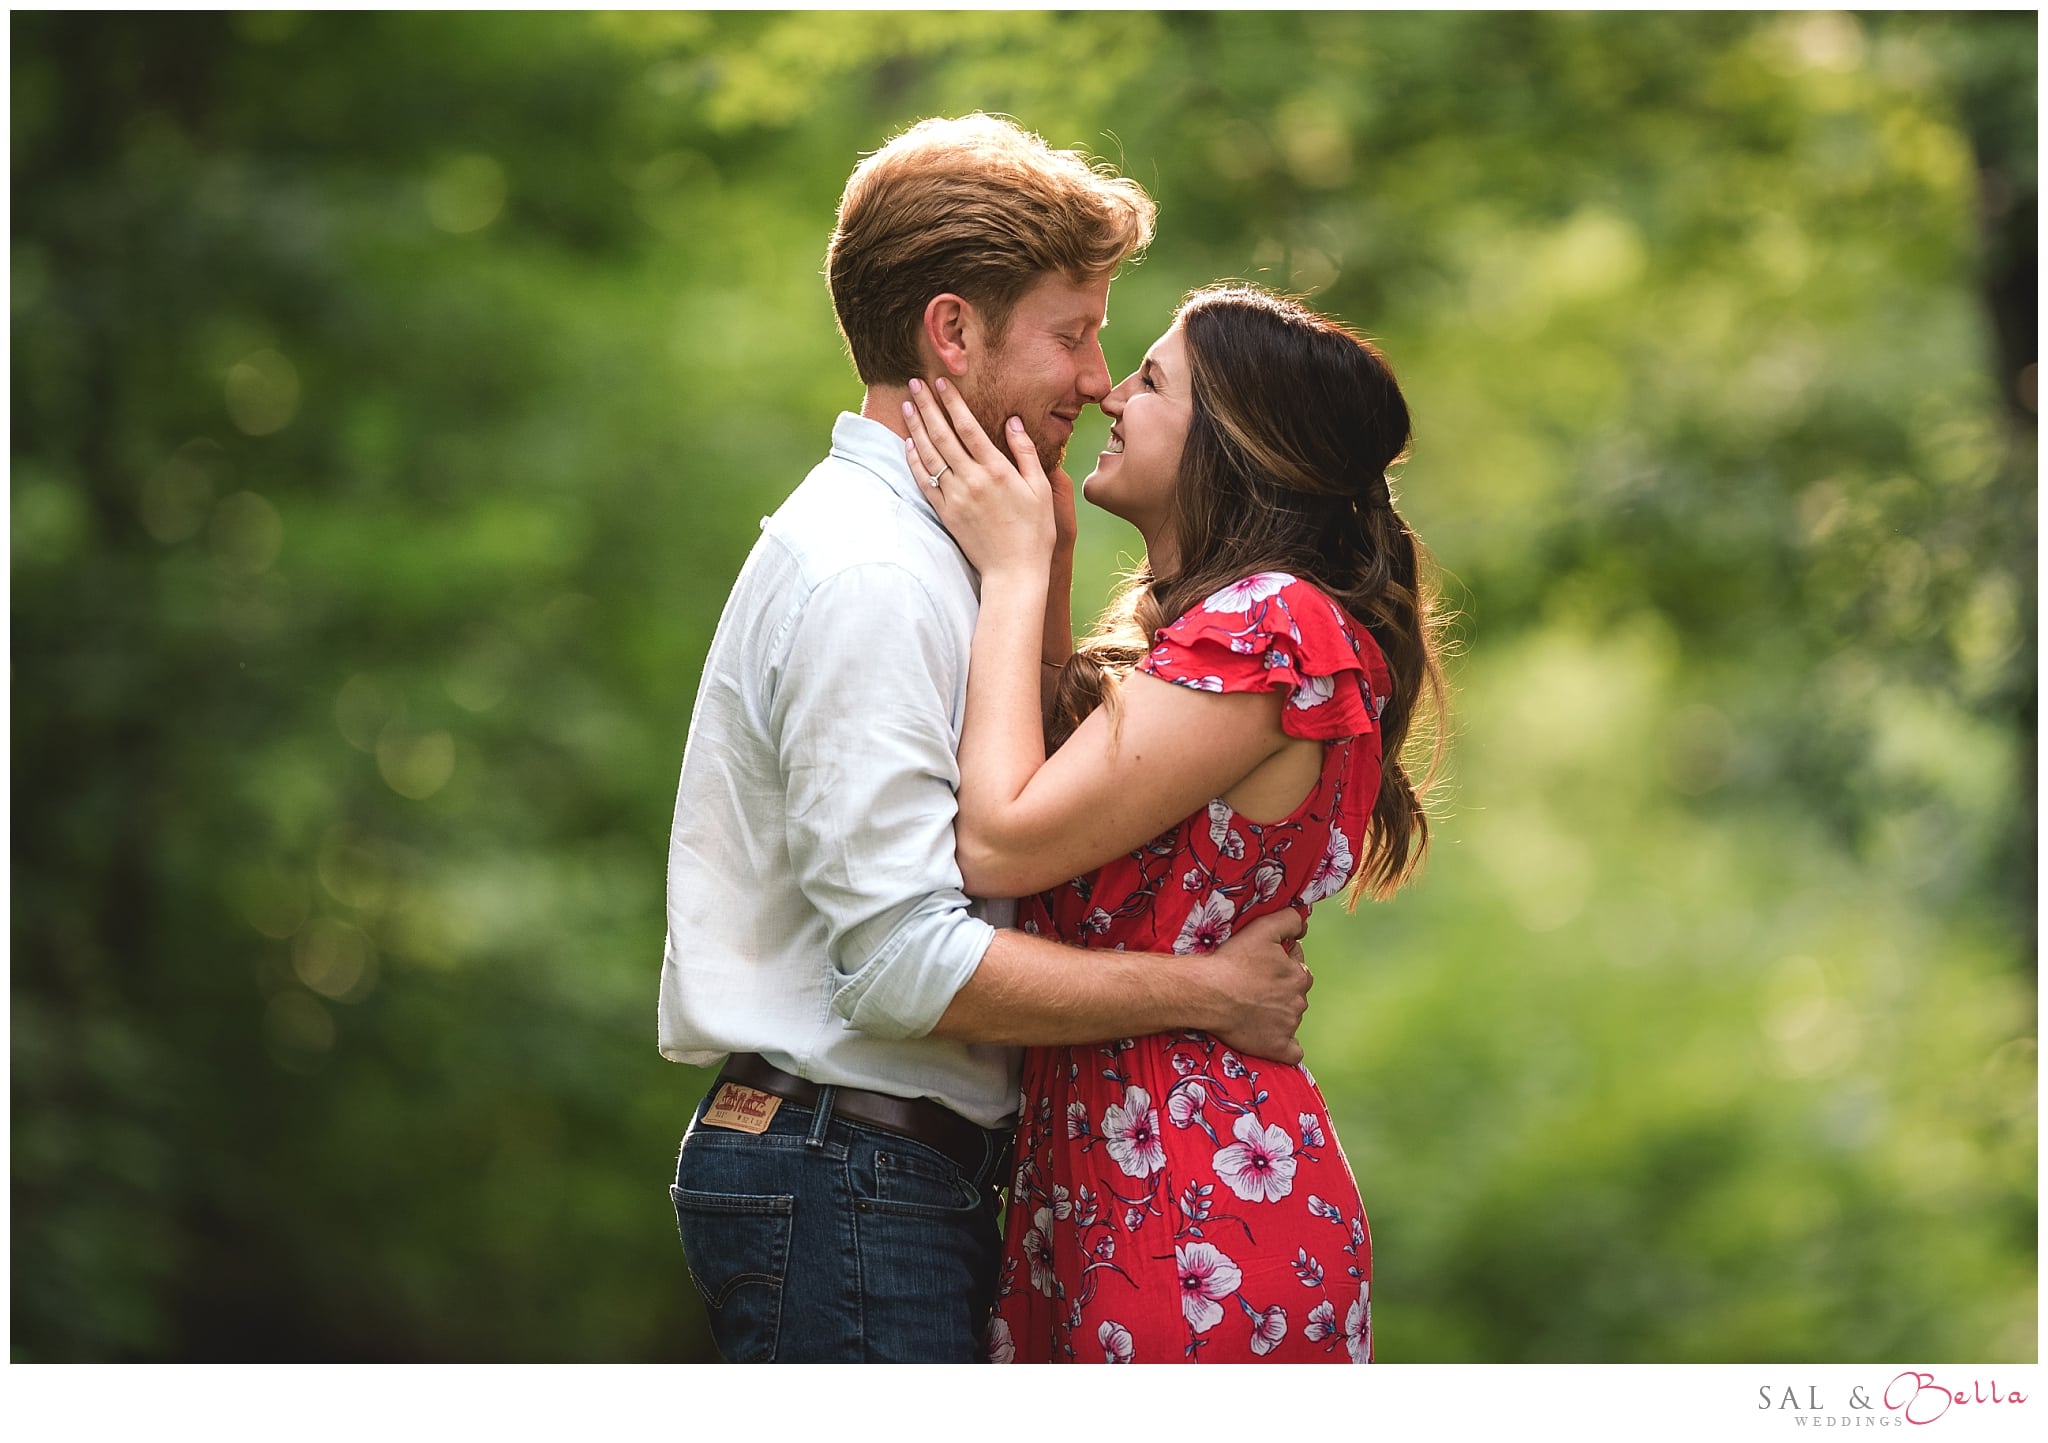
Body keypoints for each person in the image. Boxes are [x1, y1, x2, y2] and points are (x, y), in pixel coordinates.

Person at [658, 116, 1317, 1365]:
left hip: (883, 1172)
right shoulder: (873, 577)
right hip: (848, 1172)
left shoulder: (946, 550)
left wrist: (1045, 563)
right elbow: (905, 964)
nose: (1095, 378)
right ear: (950, 333)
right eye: (1071, 334)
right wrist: (1205, 992)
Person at [900, 282, 1447, 1362]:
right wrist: (1050, 550)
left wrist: (1009, 571)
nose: (1107, 394)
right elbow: (1053, 788)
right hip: (1112, 1176)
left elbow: (1002, 837)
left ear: (1232, 449)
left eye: (1150, 382)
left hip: (1191, 1194)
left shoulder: (1270, 626)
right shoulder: (1216, 634)